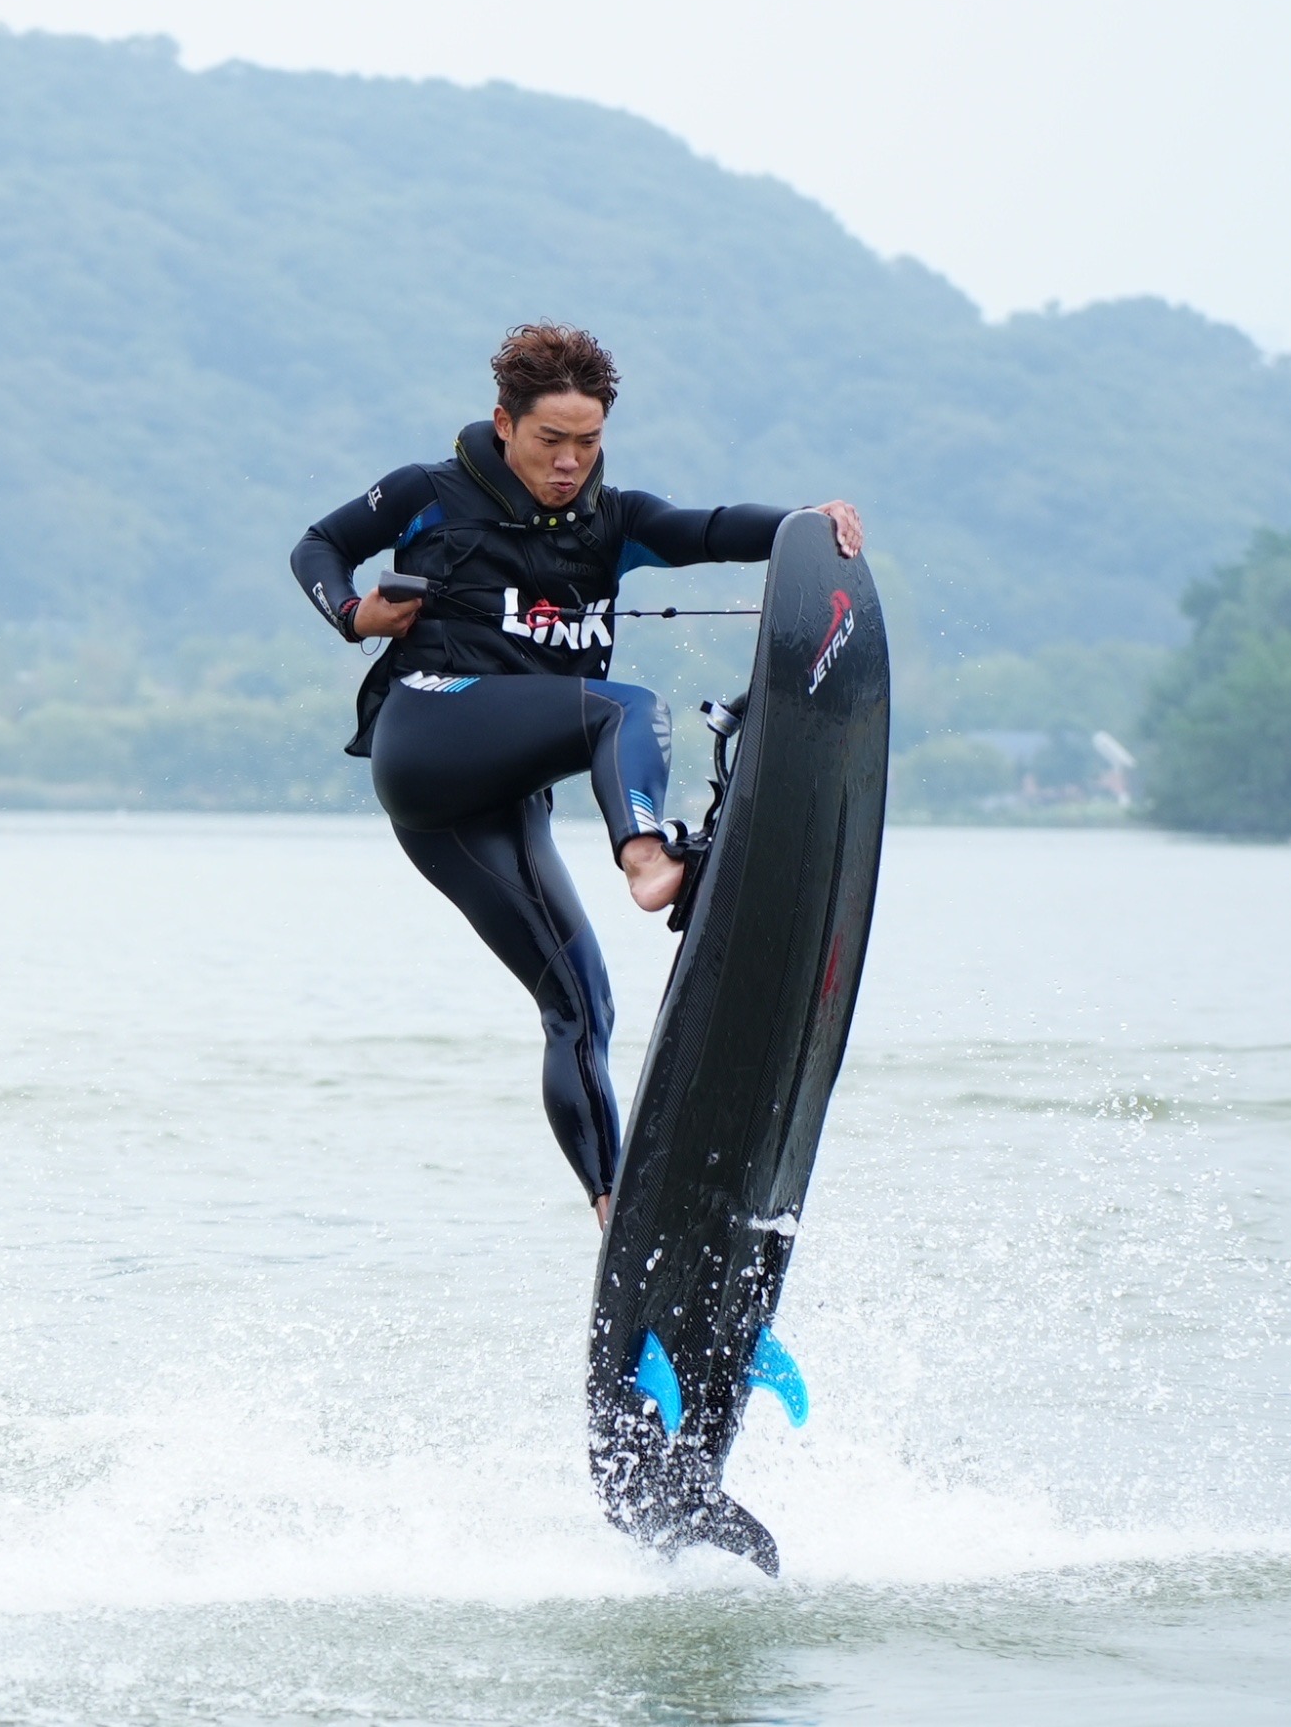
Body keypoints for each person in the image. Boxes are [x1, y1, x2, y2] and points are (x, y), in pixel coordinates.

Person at [289, 321, 866, 1215]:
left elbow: (707, 529)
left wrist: (803, 525)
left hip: (503, 799)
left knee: (580, 1007)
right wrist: (354, 614)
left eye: (587, 442)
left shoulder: (613, 521)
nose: (569, 462)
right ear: (503, 423)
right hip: (429, 742)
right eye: (549, 441)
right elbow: (315, 548)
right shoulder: (428, 495)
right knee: (626, 707)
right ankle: (644, 857)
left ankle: (613, 1211)